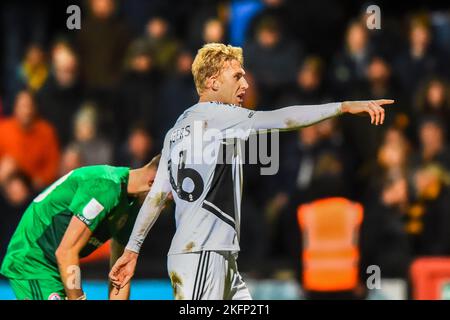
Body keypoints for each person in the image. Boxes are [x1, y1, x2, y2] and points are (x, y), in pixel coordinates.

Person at [109, 43, 393, 300]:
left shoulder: (176, 130)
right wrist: (342, 107)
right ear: (212, 82)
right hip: (204, 255)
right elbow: (284, 118)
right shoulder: (220, 115)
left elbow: (158, 194)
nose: (245, 83)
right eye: (237, 77)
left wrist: (133, 249)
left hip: (210, 256)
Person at [0, 155, 162, 300]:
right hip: (33, 262)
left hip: (57, 269)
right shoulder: (105, 186)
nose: (169, 203)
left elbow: (120, 270)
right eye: (170, 194)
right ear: (153, 182)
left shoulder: (132, 209)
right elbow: (65, 252)